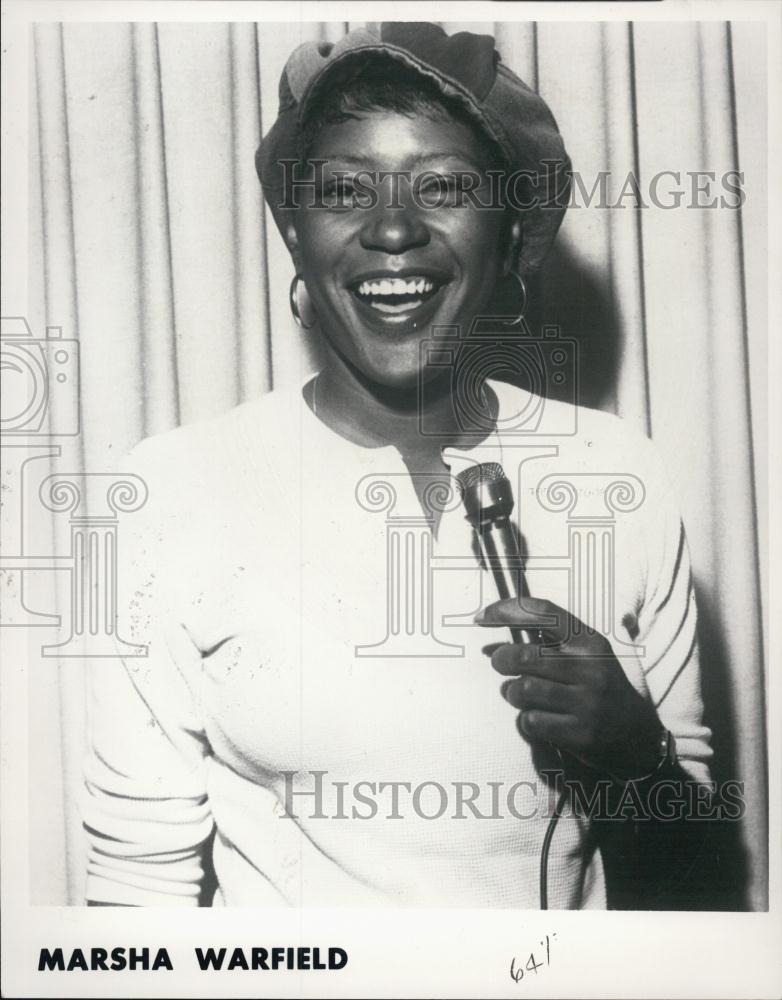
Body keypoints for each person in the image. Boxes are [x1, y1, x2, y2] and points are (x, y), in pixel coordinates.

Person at [82, 22, 712, 909]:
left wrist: (632, 750)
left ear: (512, 236)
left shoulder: (621, 473)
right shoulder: (172, 490)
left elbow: (693, 871)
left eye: (444, 187)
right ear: (296, 234)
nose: (391, 228)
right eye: (344, 190)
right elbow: (136, 882)